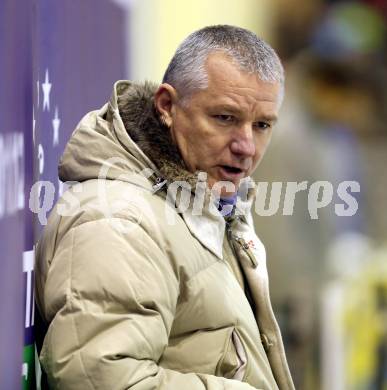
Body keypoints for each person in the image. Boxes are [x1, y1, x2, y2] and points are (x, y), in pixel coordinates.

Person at [35, 25, 295, 390]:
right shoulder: (119, 220)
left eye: (262, 125)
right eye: (225, 118)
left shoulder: (210, 202)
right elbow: (98, 380)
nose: (246, 146)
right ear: (167, 107)